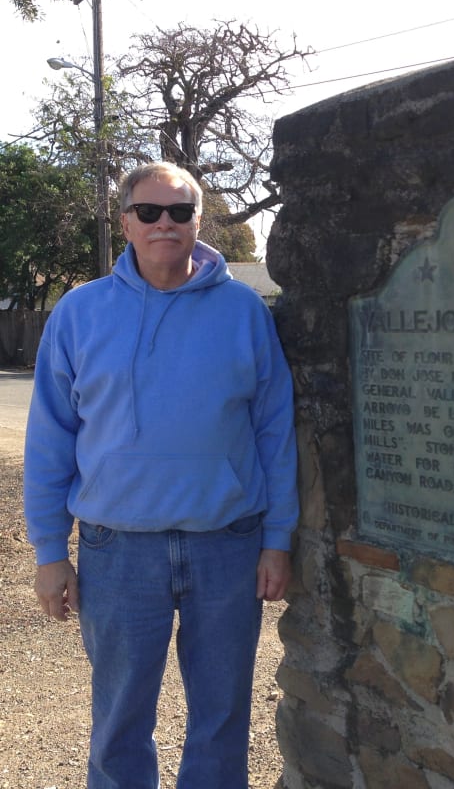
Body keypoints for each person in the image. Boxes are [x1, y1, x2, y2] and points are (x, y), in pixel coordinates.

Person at [24, 161, 299, 789]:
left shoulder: (243, 311)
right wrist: (49, 551)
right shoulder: (78, 314)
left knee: (222, 719)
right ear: (125, 222)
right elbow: (50, 441)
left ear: (199, 221)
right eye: (149, 212)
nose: (164, 224)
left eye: (179, 212)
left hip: (227, 544)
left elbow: (274, 432)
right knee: (119, 722)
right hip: (117, 551)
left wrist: (278, 538)